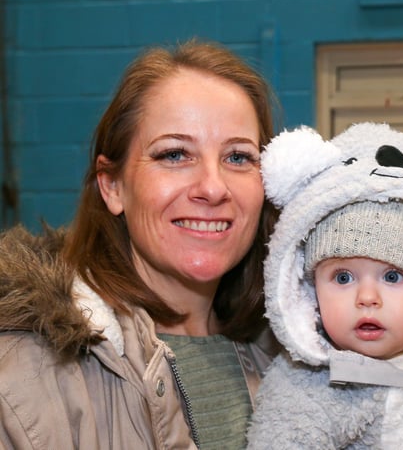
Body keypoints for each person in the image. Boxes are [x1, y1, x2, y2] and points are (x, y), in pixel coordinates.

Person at [0, 38, 280, 449]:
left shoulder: (297, 358)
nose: (213, 187)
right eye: (173, 155)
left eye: (238, 157)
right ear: (112, 186)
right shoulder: (24, 376)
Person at [246, 122, 403, 449]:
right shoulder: (310, 392)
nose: (367, 298)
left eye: (393, 276)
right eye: (343, 277)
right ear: (312, 292)